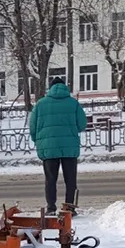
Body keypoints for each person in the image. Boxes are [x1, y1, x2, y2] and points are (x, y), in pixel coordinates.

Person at [28, 76, 87, 214]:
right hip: (69, 147)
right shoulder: (73, 103)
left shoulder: (40, 104)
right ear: (64, 87)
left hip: (48, 147)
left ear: (51, 88)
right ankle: (69, 209)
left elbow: (32, 126)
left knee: (50, 180)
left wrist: (37, 140)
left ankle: (51, 208)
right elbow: (82, 124)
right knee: (70, 180)